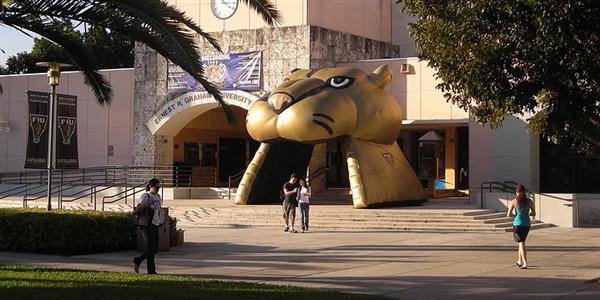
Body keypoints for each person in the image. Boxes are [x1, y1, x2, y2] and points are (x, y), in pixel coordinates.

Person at [133, 178, 163, 275]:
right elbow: (137, 209)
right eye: (156, 187)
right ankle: (151, 271)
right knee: (151, 248)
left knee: (155, 248)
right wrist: (147, 203)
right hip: (146, 224)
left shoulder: (158, 196)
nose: (158, 189)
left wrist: (161, 221)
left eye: (159, 187)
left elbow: (158, 210)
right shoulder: (145, 195)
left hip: (155, 223)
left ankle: (138, 260)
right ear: (151, 186)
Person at [507, 184, 536, 269]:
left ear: (516, 192)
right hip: (527, 224)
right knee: (521, 243)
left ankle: (525, 263)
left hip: (517, 224)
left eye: (518, 192)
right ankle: (519, 260)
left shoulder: (514, 201)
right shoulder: (529, 201)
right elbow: (534, 213)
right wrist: (528, 214)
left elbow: (508, 214)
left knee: (521, 244)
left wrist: (516, 216)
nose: (518, 193)